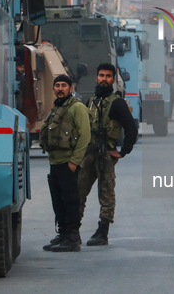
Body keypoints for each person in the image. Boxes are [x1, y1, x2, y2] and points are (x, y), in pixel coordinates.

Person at [79, 63, 138, 246]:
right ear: (96, 77)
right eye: (101, 75)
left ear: (113, 79)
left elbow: (131, 128)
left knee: (106, 195)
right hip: (88, 153)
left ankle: (102, 231)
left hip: (105, 155)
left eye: (108, 76)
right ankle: (71, 230)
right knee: (77, 192)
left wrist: (123, 151)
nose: (104, 79)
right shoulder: (90, 102)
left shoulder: (117, 103)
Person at [40, 74, 91, 252]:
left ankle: (72, 237)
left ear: (71, 88)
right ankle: (62, 234)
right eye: (57, 86)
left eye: (64, 85)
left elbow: (85, 135)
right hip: (55, 161)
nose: (60, 89)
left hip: (67, 161)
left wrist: (74, 161)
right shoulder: (57, 108)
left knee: (70, 200)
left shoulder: (77, 108)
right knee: (58, 201)